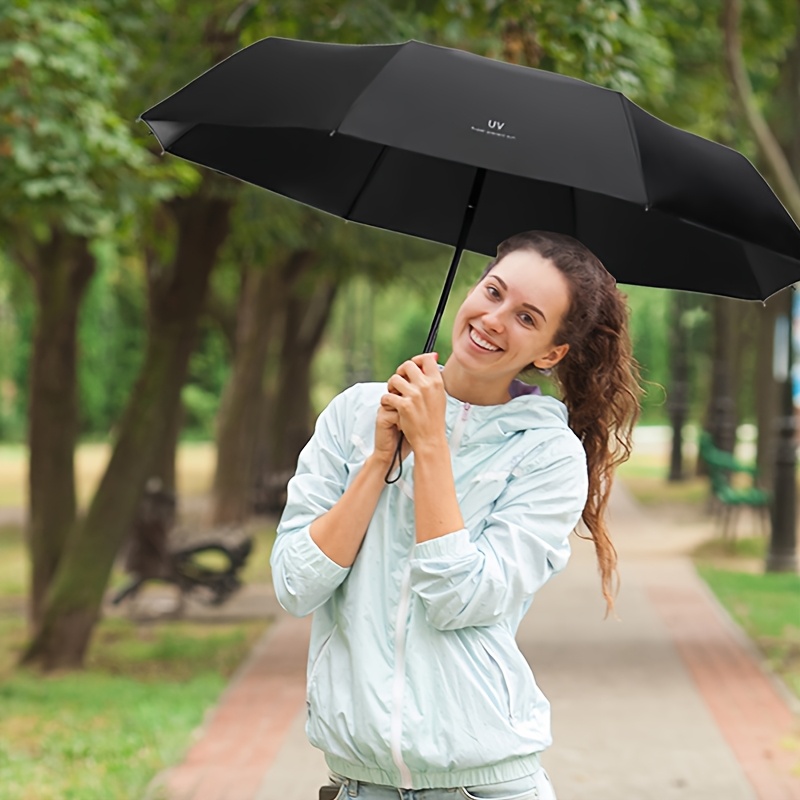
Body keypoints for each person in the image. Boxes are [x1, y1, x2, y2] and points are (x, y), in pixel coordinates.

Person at [270, 230, 641, 800]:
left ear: (550, 352)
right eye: (493, 292)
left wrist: (432, 450)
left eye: (526, 317)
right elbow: (296, 585)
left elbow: (460, 599)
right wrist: (377, 461)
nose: (494, 319)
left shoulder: (547, 454)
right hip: (359, 784)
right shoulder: (356, 413)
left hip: (483, 785)